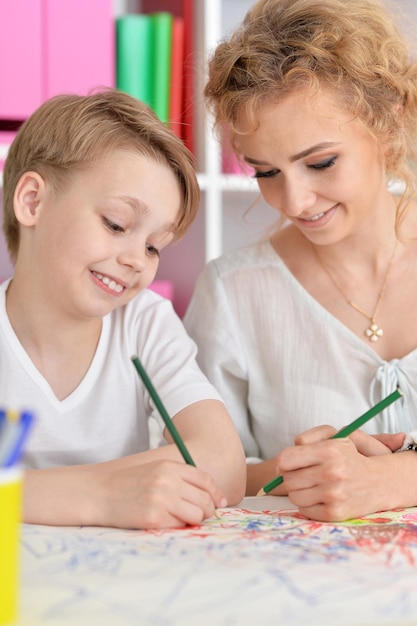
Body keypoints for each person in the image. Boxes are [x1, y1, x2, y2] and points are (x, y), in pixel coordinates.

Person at [184, 0, 417, 522]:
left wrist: (395, 479)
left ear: (388, 122)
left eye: (321, 163)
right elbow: (194, 470)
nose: (294, 203)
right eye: (265, 172)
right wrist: (301, 473)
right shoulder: (234, 292)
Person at [0, 89, 246, 529]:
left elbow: (224, 462)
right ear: (32, 201)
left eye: (154, 246)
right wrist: (98, 497)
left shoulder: (144, 322)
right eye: (116, 224)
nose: (137, 259)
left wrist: (26, 493)